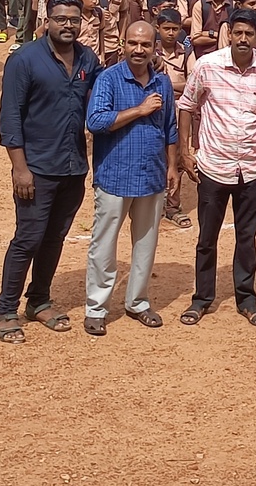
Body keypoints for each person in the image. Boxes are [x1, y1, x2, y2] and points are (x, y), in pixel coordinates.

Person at [0, 0, 100, 344]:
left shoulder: (87, 59)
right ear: (47, 21)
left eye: (74, 19)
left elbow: (104, 94)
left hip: (73, 167)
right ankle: (6, 310)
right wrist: (19, 169)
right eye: (61, 19)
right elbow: (10, 116)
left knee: (55, 238)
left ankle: (38, 300)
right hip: (36, 168)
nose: (68, 25)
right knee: (27, 239)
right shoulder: (24, 60)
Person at [178, 8, 256, 328]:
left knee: (247, 237)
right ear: (229, 34)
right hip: (213, 165)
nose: (243, 39)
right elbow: (186, 105)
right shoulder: (207, 65)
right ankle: (202, 299)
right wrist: (184, 152)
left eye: (249, 34)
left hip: (252, 167)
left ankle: (247, 299)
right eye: (237, 32)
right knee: (207, 238)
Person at [81, 20, 178, 335]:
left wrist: (172, 166)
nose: (139, 50)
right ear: (123, 44)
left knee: (146, 244)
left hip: (151, 175)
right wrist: (139, 110)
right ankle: (96, 308)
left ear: (154, 48)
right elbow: (96, 121)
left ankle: (137, 301)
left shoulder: (162, 82)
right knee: (104, 244)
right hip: (115, 175)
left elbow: (170, 127)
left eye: (145, 44)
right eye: (133, 43)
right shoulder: (109, 79)